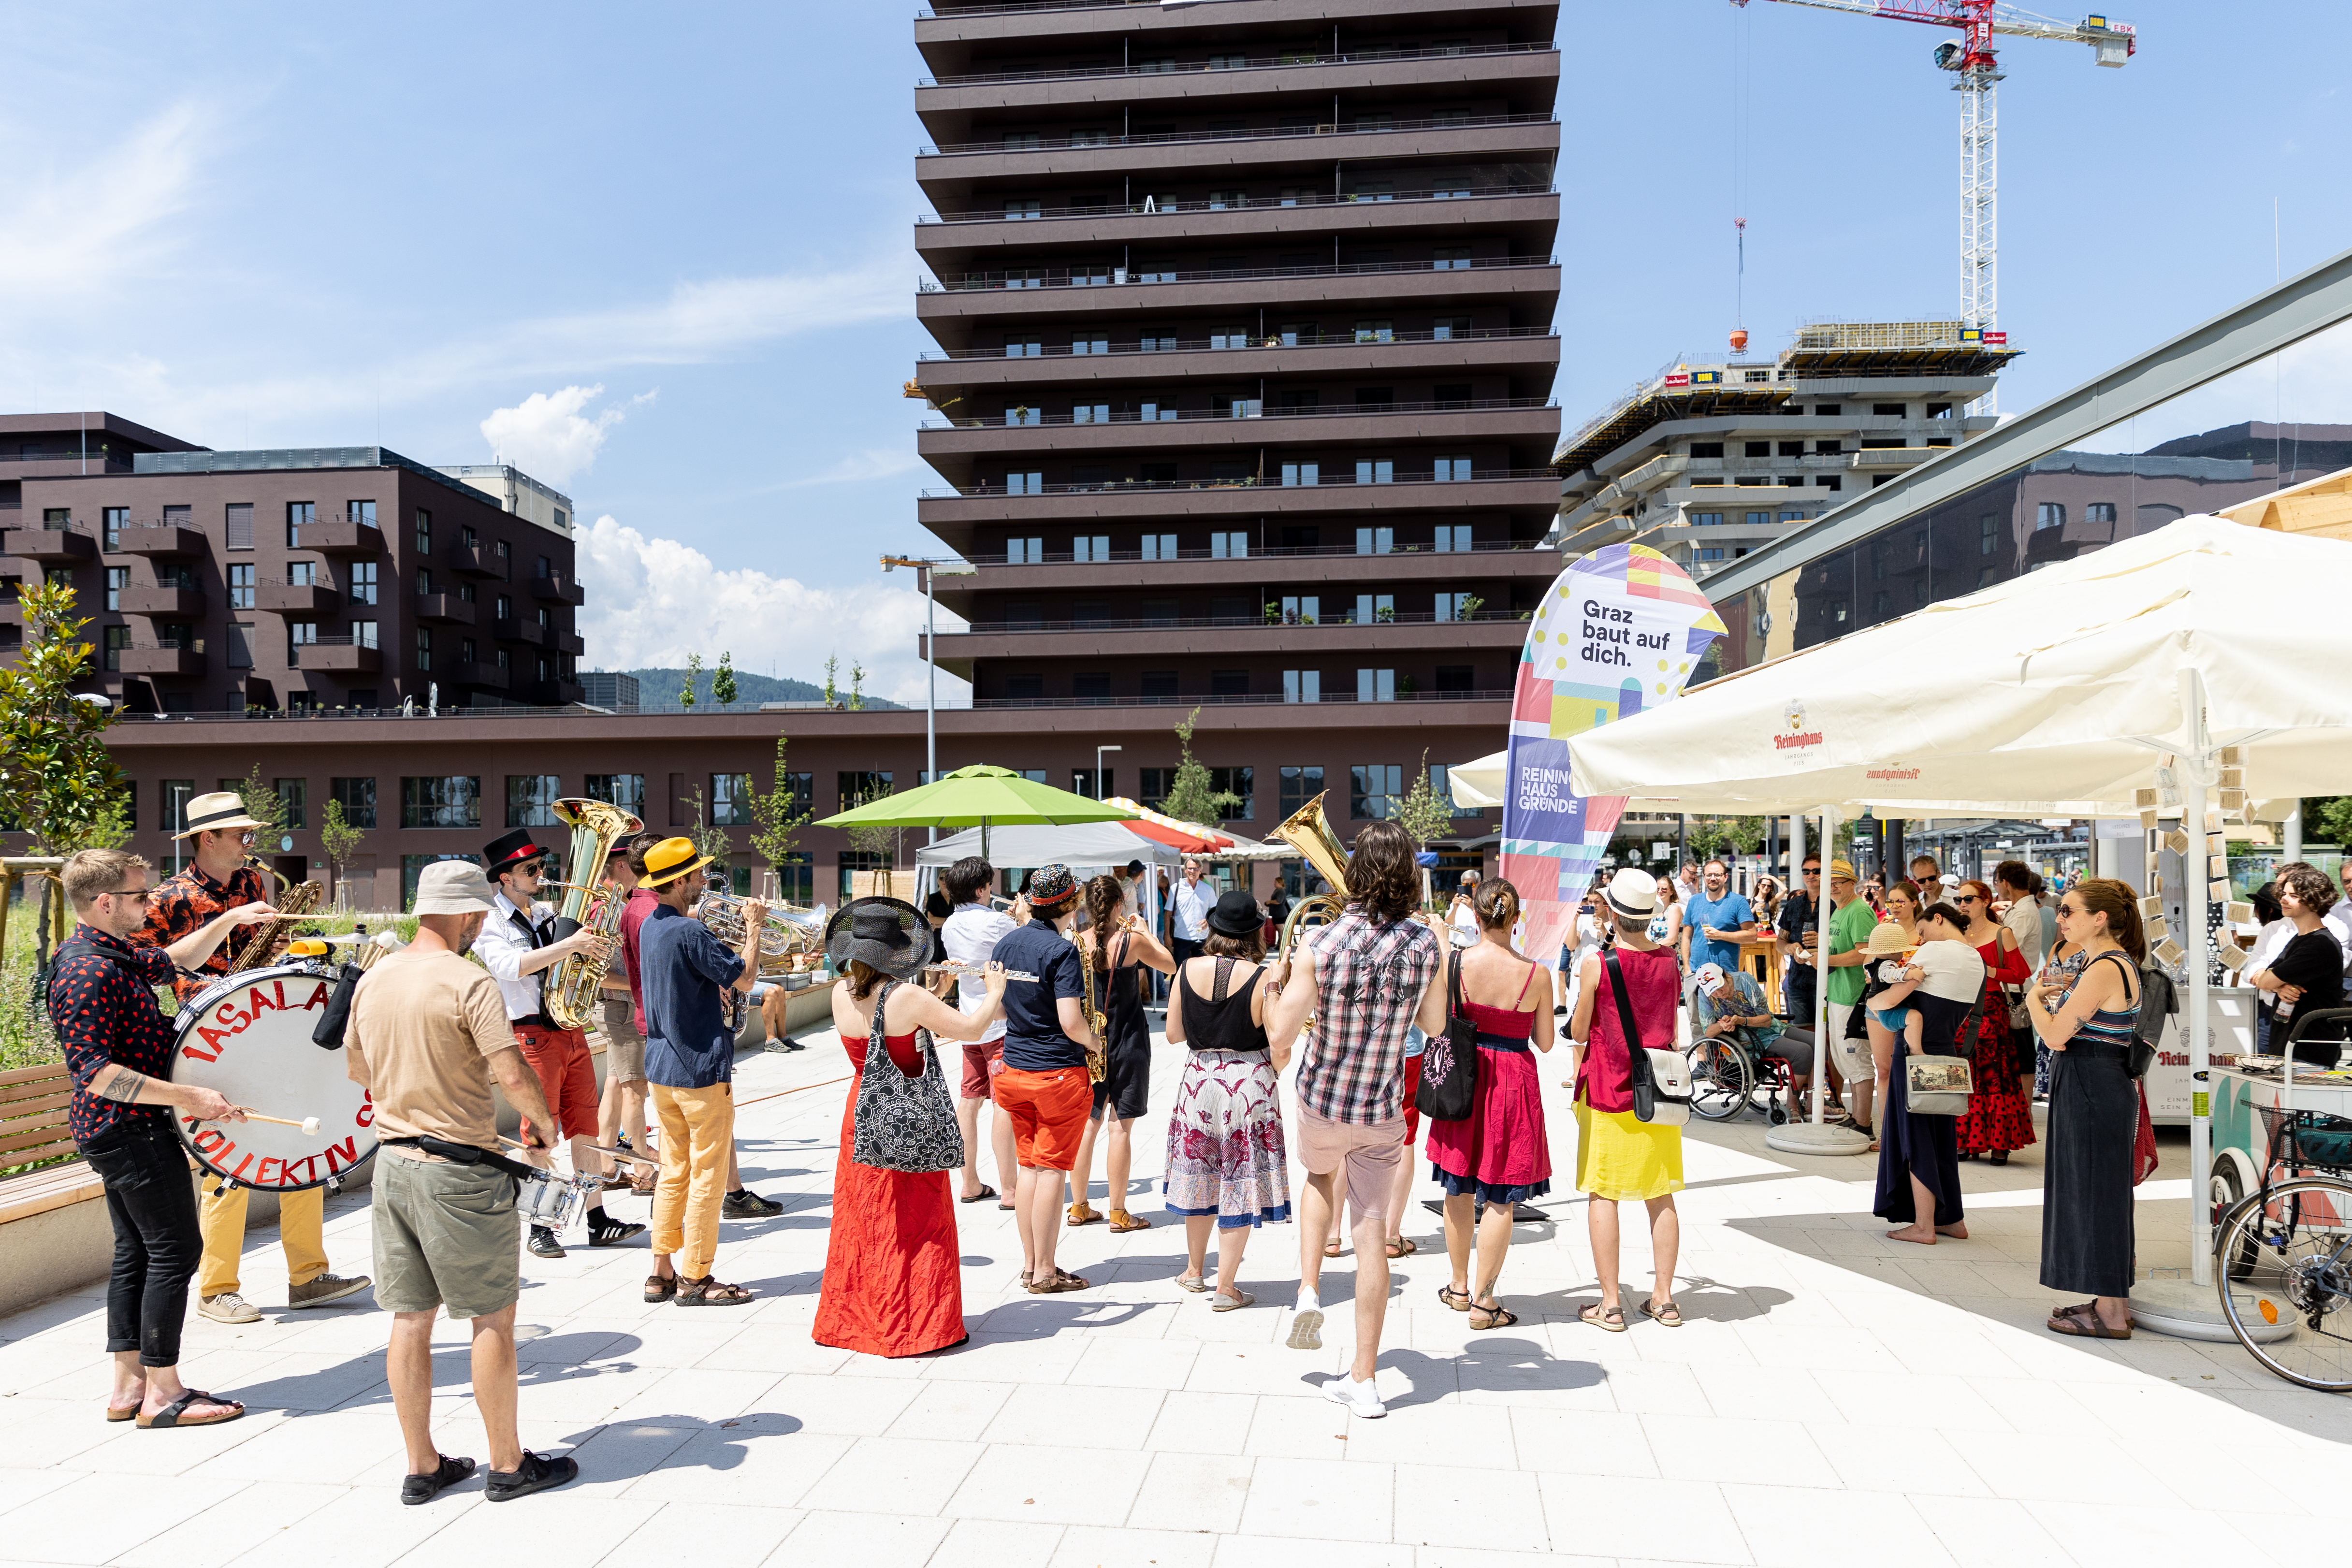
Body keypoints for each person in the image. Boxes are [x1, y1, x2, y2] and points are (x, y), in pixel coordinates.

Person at [345, 860, 578, 1503]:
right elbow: (510, 1075)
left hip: (392, 1165)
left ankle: (422, 1466)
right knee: (492, 1319)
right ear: (472, 915)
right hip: (460, 1171)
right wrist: (543, 1125)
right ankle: (507, 1466)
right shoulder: (468, 982)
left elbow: (358, 1074)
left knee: (410, 1319)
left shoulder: (374, 978)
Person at [52, 848, 279, 1429]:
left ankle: (129, 1386)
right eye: (138, 896)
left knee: (137, 1251)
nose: (149, 903)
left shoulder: (114, 950)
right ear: (104, 903)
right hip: (127, 1130)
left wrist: (229, 921)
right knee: (177, 1250)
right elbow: (95, 1071)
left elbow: (173, 958)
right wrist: (191, 1098)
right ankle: (164, 1393)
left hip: (127, 1129)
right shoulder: (84, 969)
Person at [134, 790, 371, 1323]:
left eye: (250, 835)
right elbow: (144, 964)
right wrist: (226, 927)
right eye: (241, 835)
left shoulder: (252, 881)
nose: (250, 845)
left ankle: (308, 1275)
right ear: (207, 839)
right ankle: (218, 1288)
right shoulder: (167, 898)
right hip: (212, 1040)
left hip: (263, 1028)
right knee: (229, 1163)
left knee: (299, 1142)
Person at [1264, 819, 1448, 1419]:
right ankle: (1365, 1380)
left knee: (1320, 1181)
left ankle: (1310, 1290)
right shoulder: (1425, 944)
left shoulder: (1321, 942)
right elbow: (1438, 1026)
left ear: (1355, 872)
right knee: (1373, 1232)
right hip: (1382, 1104)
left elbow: (1281, 1034)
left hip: (1324, 1097)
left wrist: (1276, 985)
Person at [819, 901, 1009, 1356]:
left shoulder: (840, 992)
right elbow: (970, 1028)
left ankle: (857, 1320)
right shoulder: (906, 997)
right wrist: (995, 990)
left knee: (864, 1218)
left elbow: (888, 1032)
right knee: (916, 1220)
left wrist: (937, 988)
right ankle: (915, 1326)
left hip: (862, 1110)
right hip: (903, 1115)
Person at [471, 828, 645, 1259]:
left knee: (585, 1130)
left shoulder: (545, 913)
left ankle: (597, 1218)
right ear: (505, 878)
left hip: (571, 1029)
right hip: (530, 1033)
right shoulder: (489, 922)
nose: (540, 874)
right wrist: (570, 945)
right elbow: (509, 967)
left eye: (541, 867)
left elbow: (577, 960)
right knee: (540, 1136)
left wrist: (595, 947)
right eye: (530, 869)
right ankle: (540, 1226)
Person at [634, 837, 764, 1307]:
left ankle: (661, 1271)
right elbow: (746, 979)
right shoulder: (690, 932)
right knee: (708, 1173)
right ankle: (696, 1277)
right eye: (698, 874)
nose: (705, 881)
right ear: (682, 880)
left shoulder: (652, 926)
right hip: (699, 1069)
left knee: (673, 1170)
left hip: (662, 1067)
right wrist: (753, 929)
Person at [1426, 879, 1553, 1331]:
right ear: (1515, 919)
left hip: (1465, 1078)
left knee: (1457, 1186)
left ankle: (1459, 1287)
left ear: (1475, 918)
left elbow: (1437, 1020)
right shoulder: (1537, 973)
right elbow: (1545, 1042)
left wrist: (1442, 943)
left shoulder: (1456, 962)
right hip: (1513, 1084)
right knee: (1501, 1195)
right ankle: (1485, 1301)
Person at [2029, 879, 2148, 1338]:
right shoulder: (2105, 963)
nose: (2061, 919)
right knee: (2096, 1193)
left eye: (2069, 911)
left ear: (2099, 918)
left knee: (2096, 1193)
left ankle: (2112, 1312)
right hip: (2093, 1080)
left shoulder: (2106, 966)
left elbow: (2056, 1035)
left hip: (2092, 1082)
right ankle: (2108, 1299)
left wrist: (2034, 1001)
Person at [1163, 888, 1292, 1309]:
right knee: (1240, 1179)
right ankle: (1226, 1288)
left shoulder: (1187, 967)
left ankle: (1194, 1271)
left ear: (1214, 928)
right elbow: (1280, 1042)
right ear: (1255, 933)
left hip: (1199, 1080)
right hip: (1248, 1082)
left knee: (1201, 1175)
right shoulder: (1261, 976)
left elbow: (1173, 1034)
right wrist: (1275, 988)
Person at [1570, 868, 1686, 1332]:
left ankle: (1611, 1304)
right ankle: (1664, 1299)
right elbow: (1670, 1030)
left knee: (1605, 1193)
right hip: (1658, 1093)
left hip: (1608, 1088)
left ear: (1612, 914)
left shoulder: (1598, 963)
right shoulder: (1670, 962)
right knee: (1661, 1196)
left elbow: (1579, 1031)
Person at [989, 863, 1101, 1293]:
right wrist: (1094, 1043)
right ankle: (1046, 1272)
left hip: (1014, 1069)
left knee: (1028, 1171)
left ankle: (1030, 1265)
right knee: (1053, 1171)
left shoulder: (1007, 942)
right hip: (1056, 1073)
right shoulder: (1062, 951)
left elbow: (999, 1009)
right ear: (1071, 902)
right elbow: (1071, 1022)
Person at [1067, 875, 1176, 1232]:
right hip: (1128, 1040)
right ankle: (1118, 1212)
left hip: (1089, 1042)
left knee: (1088, 1124)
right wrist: (1146, 930)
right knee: (1120, 1129)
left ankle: (1079, 1206)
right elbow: (1170, 965)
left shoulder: (1075, 943)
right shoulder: (1132, 942)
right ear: (1119, 906)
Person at [1872, 902, 1985, 1246]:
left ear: (1938, 918)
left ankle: (1924, 1225)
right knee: (1941, 1140)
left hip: (1914, 1056)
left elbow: (1886, 1001)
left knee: (1916, 1140)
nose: (1919, 940)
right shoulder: (1975, 958)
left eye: (1921, 932)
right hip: (1946, 1054)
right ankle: (1952, 1219)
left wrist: (1880, 997)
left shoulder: (1934, 951)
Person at [938, 856, 1020, 1206]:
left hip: (970, 1022)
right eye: (989, 887)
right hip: (1000, 1023)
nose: (991, 892)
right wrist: (1020, 917)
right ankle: (1011, 1190)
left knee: (969, 1102)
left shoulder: (949, 927)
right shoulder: (999, 922)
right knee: (1004, 1104)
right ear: (981, 889)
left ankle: (969, 1182)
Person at [1952, 879, 2035, 1165]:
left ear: (1986, 901)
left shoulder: (2002, 933)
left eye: (1969, 899)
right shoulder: (1957, 933)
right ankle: (1966, 1140)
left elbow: (2020, 973)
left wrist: (1988, 969)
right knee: (1967, 1075)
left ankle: (2000, 1144)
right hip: (1962, 1009)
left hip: (1992, 1010)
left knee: (1996, 1076)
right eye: (1959, 900)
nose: (1963, 904)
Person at [592, 843, 656, 1198]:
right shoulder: (605, 910)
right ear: (620, 866)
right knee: (636, 1090)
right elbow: (597, 975)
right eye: (633, 865)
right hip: (620, 1008)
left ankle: (606, 1166)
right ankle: (643, 1172)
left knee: (617, 1086)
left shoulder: (613, 906)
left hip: (620, 1007)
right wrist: (644, 983)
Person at [2246, 862, 2347, 1066]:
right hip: (2289, 1045)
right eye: (2284, 893)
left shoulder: (2319, 945)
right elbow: (2262, 975)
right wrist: (2280, 985)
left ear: (2312, 901)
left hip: (2307, 1051)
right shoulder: (2301, 939)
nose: (2283, 899)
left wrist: (2272, 981)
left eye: (2293, 896)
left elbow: (2266, 980)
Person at [1691, 960, 1823, 1114]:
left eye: (1721, 988)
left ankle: (1813, 1102)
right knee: (1803, 1051)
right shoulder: (1704, 994)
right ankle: (1792, 1105)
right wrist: (1722, 1025)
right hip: (1748, 1040)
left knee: (1818, 1042)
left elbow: (1766, 1020)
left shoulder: (1744, 980)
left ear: (1726, 976)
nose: (1720, 994)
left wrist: (1743, 1020)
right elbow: (1708, 1032)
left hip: (1769, 1027)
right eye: (1714, 992)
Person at [1819, 858, 1877, 1129]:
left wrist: (1824, 961)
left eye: (1838, 883)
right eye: (1829, 883)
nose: (1833, 888)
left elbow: (1864, 953)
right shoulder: (1839, 910)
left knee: (1857, 1058)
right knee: (1846, 1059)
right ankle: (1857, 1117)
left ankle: (1864, 1121)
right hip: (1839, 994)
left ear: (1853, 883)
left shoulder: (1859, 911)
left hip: (1854, 996)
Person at [2242, 881, 2293, 1055]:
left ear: (2269, 910)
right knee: (2267, 1063)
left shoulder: (2302, 932)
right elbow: (2251, 969)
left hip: (2295, 1011)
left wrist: (2266, 980)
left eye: (2257, 907)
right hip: (2269, 1009)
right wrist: (2275, 985)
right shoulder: (2270, 930)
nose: (2255, 912)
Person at [1777, 855, 1824, 1023]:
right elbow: (1780, 943)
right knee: (1802, 1035)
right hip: (1797, 982)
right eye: (1806, 871)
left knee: (1827, 1035)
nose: (1811, 875)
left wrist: (1824, 942)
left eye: (1816, 871)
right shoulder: (1793, 905)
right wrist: (1790, 949)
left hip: (1827, 982)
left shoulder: (1835, 903)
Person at [1168, 857, 1211, 968]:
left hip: (1202, 937)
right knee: (1178, 970)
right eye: (1190, 869)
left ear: (1201, 870)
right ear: (1185, 870)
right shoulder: (1176, 888)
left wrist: (1208, 920)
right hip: (1182, 937)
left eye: (1196, 869)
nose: (1193, 872)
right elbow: (1168, 914)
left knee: (1202, 971)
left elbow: (1216, 910)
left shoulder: (1207, 889)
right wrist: (1167, 936)